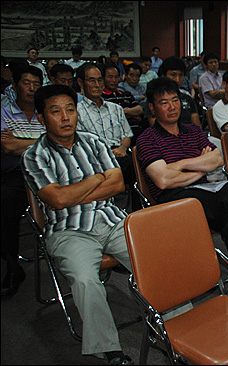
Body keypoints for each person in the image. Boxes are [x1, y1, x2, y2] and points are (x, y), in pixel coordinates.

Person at [21, 85, 134, 365]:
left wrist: (75, 191)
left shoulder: (93, 141)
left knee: (154, 258)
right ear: (40, 118)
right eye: (55, 111)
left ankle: (177, 324)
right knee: (85, 280)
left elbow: (118, 183)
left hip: (110, 220)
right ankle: (110, 350)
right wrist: (97, 179)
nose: (65, 117)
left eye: (70, 110)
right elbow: (57, 200)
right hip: (69, 232)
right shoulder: (35, 156)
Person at [135, 77, 228, 302]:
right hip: (174, 202)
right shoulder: (147, 140)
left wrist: (179, 165)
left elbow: (217, 159)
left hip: (207, 193)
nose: (172, 107)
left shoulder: (193, 130)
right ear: (152, 108)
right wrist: (200, 168)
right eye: (164, 103)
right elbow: (162, 180)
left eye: (175, 100)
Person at [1, 65, 44, 298]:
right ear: (15, 86)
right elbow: (6, 147)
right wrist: (41, 142)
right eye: (26, 83)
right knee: (5, 204)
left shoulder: (46, 111)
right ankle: (12, 265)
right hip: (16, 174)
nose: (31, 88)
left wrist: (19, 143)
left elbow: (57, 142)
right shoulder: (3, 111)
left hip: (45, 172)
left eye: (36, 84)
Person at [76, 63, 137, 211]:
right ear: (80, 83)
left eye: (99, 80)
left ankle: (136, 212)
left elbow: (127, 135)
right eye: (92, 80)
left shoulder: (115, 108)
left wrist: (123, 147)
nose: (97, 85)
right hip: (94, 159)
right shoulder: (76, 111)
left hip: (120, 155)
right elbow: (81, 144)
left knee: (139, 164)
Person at [151, 56, 200, 127]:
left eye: (181, 75)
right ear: (163, 75)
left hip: (189, 136)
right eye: (173, 75)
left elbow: (197, 126)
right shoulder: (155, 98)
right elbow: (155, 126)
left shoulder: (187, 97)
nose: (177, 80)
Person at [101, 63, 144, 139]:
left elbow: (139, 110)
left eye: (116, 77)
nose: (114, 80)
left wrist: (122, 112)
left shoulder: (126, 94)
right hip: (116, 134)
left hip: (137, 131)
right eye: (110, 77)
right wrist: (132, 114)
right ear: (103, 78)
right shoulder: (101, 97)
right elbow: (109, 117)